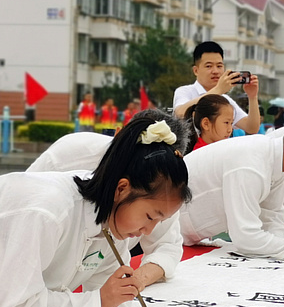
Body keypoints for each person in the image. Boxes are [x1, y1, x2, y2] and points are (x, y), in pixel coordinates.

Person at [0, 115, 190, 307]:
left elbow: (109, 299)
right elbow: (18, 303)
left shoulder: (113, 221)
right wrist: (86, 306)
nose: (148, 232)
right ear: (122, 188)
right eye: (150, 217)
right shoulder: (46, 209)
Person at [25, 109, 192, 290]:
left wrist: (136, 281)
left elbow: (167, 245)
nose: (149, 229)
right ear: (119, 135)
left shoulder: (163, 183)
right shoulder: (70, 154)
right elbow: (25, 213)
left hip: (100, 269)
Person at [179, 120, 284, 259]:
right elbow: (245, 236)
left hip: (186, 234)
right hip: (169, 228)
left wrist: (282, 248)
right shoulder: (251, 163)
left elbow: (272, 216)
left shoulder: (275, 160)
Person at [172, 41, 260, 135]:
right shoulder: (185, 91)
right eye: (209, 66)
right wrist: (218, 90)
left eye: (219, 66)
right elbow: (180, 114)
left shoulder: (225, 100)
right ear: (196, 70)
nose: (215, 71)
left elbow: (251, 128)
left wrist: (252, 97)